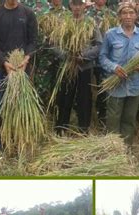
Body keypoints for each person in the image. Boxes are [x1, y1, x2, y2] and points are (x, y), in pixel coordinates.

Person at [0, 0, 38, 150]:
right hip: (0, 69)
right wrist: (3, 62)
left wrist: (26, 58)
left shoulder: (28, 13)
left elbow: (33, 41)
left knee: (20, 106)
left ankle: (18, 141)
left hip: (21, 68)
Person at [99, 2, 139, 145]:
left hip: (135, 85)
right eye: (124, 13)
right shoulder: (110, 34)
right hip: (115, 86)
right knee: (113, 119)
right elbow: (102, 57)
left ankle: (127, 150)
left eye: (131, 13)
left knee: (129, 119)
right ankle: (114, 151)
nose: (128, 16)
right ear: (119, 16)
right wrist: (114, 68)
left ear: (136, 15)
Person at [54, 0, 102, 134]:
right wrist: (67, 56)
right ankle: (60, 129)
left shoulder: (90, 23)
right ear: (70, 5)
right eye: (74, 4)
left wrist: (84, 56)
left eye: (79, 4)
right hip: (67, 67)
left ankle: (83, 129)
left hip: (84, 67)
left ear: (84, 6)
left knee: (84, 98)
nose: (77, 7)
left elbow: (99, 45)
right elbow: (54, 44)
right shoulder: (62, 22)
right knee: (64, 97)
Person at [86, 0, 117, 128]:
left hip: (105, 61)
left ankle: (102, 121)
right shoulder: (87, 14)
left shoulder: (112, 15)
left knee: (103, 91)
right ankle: (87, 121)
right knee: (86, 92)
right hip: (87, 60)